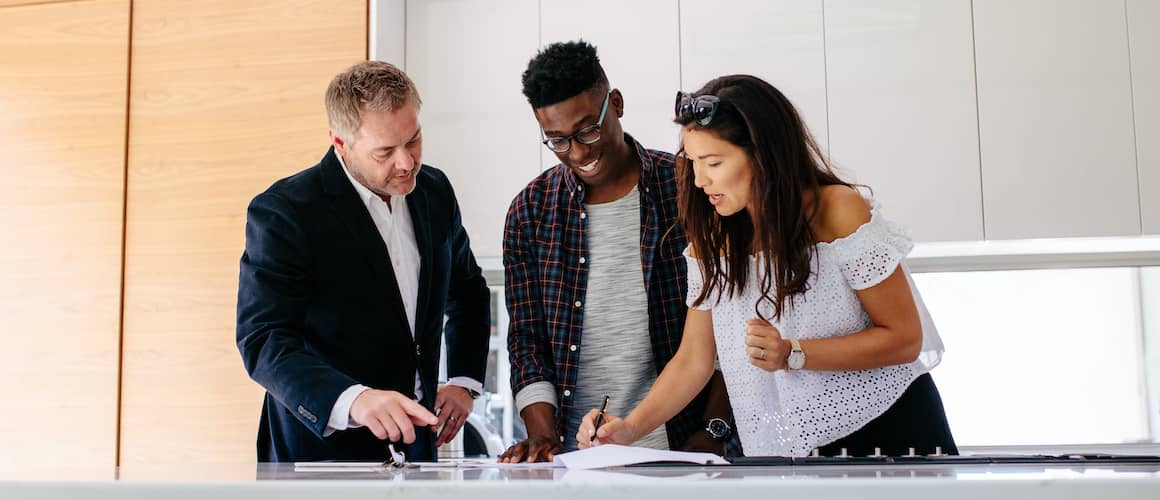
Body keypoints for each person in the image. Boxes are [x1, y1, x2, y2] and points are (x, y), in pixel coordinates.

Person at [576, 74, 957, 457]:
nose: (700, 180)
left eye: (713, 162)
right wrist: (629, 428)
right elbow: (695, 359)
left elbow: (906, 338)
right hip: (797, 450)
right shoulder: (714, 238)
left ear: (762, 155)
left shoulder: (838, 211)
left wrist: (794, 353)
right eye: (692, 162)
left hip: (890, 427)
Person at [236, 61, 490, 462]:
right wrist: (354, 400)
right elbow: (263, 339)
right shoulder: (285, 212)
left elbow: (469, 290)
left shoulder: (435, 191)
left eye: (414, 139)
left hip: (417, 447)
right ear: (340, 143)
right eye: (385, 152)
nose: (406, 163)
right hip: (317, 450)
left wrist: (463, 381)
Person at [499, 40, 736, 463]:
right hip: (579, 456)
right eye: (557, 140)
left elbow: (729, 326)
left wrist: (713, 431)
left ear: (617, 104)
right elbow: (527, 340)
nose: (579, 152)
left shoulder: (691, 187)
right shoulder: (530, 212)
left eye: (588, 129)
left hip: (687, 446)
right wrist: (542, 435)